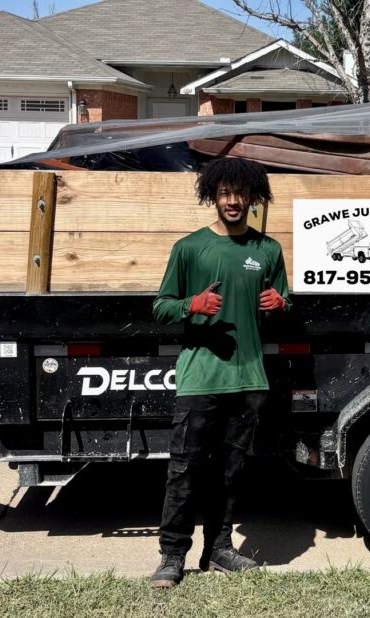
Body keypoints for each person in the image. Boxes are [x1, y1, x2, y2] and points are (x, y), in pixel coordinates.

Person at [150, 157, 290, 589]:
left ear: (253, 197)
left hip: (248, 378)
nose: (232, 201)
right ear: (213, 196)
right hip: (200, 379)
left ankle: (220, 549)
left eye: (240, 193)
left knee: (230, 472)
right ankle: (172, 556)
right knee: (184, 469)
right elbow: (160, 308)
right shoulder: (189, 248)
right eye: (225, 193)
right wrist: (190, 306)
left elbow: (282, 302)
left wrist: (281, 306)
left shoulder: (267, 251)